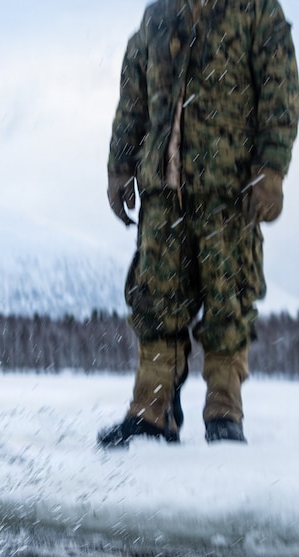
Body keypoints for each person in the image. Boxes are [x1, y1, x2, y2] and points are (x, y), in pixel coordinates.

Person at [100, 0, 299, 447]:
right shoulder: (158, 15)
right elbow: (133, 95)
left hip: (229, 188)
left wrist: (271, 169)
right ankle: (152, 410)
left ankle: (224, 410)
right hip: (162, 191)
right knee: (156, 301)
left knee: (229, 301)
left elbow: (281, 87)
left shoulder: (255, 10)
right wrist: (119, 166)